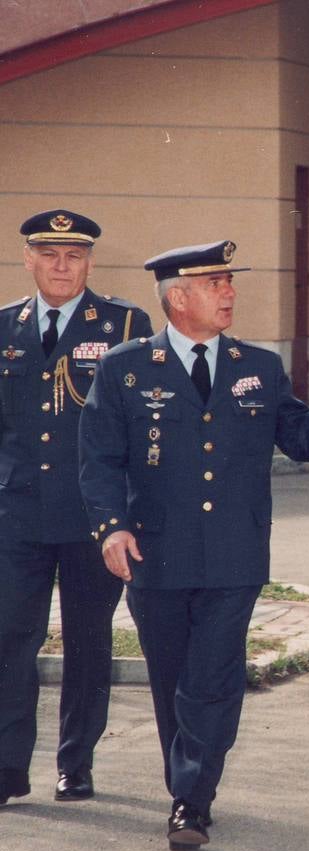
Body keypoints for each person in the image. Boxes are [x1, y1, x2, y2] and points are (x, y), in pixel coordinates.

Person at [78, 240, 309, 851]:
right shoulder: (125, 369)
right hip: (155, 553)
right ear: (178, 298)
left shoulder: (257, 366)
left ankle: (190, 801)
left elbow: (305, 441)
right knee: (172, 680)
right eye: (216, 283)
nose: (230, 292)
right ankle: (190, 787)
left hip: (234, 553)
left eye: (230, 281)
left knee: (212, 676)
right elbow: (99, 460)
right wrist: (111, 527)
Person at [0, 210, 152, 807]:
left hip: (95, 517)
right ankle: (9, 766)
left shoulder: (123, 324)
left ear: (89, 262)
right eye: (50, 254)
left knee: (88, 642)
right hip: (18, 515)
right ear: (29, 260)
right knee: (11, 638)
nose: (62, 266)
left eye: (74, 256)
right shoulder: (3, 327)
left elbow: (138, 424)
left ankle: (75, 764)